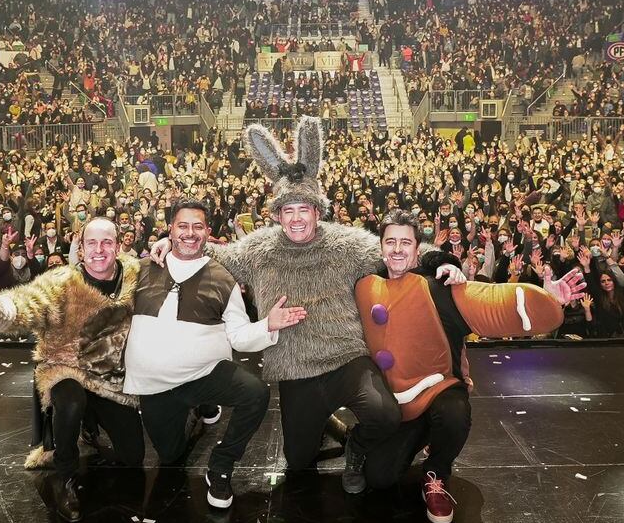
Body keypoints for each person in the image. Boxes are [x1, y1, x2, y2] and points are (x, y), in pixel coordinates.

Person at [146, 117, 465, 493]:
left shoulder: (347, 244)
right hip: (295, 371)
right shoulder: (257, 249)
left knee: (385, 416)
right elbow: (214, 256)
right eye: (288, 211)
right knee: (298, 461)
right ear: (278, 214)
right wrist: (174, 245)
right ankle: (326, 422)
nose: (297, 219)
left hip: (348, 359)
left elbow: (396, 253)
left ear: (318, 211)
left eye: (304, 209)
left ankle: (356, 448)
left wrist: (442, 261)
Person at [355, 209, 571, 523]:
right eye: (391, 242)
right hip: (397, 403)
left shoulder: (440, 286)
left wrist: (544, 301)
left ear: (418, 250)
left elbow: (490, 304)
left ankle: (437, 473)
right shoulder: (365, 286)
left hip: (441, 390)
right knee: (379, 477)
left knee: (453, 414)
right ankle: (423, 435)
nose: (398, 249)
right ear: (382, 247)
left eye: (406, 242)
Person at [0, 217, 143, 523]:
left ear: (117, 246)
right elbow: (28, 302)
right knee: (71, 400)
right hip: (66, 368)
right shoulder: (62, 282)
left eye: (106, 242)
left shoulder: (134, 276)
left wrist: (166, 243)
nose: (99, 250)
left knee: (133, 456)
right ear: (80, 246)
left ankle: (89, 423)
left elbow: (179, 260)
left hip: (109, 377)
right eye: (92, 243)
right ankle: (65, 477)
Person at [123, 199, 285, 510]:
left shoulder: (222, 278)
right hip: (155, 386)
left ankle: (221, 465)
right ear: (170, 229)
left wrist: (267, 325)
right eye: (182, 226)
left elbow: (238, 335)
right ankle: (199, 410)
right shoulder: (142, 269)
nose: (190, 233)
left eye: (197, 226)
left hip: (203, 374)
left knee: (255, 394)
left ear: (207, 232)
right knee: (171, 455)